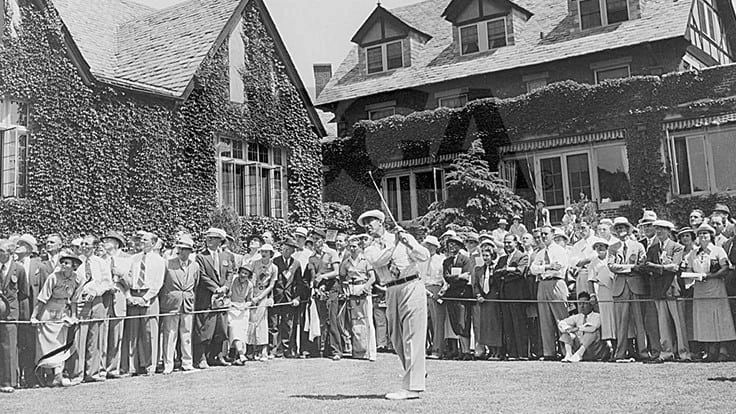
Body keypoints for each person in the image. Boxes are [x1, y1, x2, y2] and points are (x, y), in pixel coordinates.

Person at [361, 209, 429, 400]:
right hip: (391, 289)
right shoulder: (369, 248)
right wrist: (396, 245)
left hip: (411, 284)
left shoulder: (401, 236)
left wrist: (410, 244)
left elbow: (424, 255)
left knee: (412, 335)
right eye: (365, 223)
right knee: (396, 338)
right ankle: (414, 369)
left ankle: (412, 387)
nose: (368, 226)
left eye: (371, 221)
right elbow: (378, 260)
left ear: (381, 222)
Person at [29, 249, 81, 387]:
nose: (63, 265)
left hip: (62, 312)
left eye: (67, 263)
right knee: (46, 345)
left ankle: (58, 375)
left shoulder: (76, 279)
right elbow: (42, 298)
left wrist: (74, 316)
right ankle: (46, 376)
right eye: (62, 262)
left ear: (73, 265)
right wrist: (34, 316)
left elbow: (74, 299)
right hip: (48, 311)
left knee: (60, 343)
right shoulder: (53, 277)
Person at [642, 220, 690, 363]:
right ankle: (666, 353)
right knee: (663, 325)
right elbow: (646, 266)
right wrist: (662, 267)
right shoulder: (652, 248)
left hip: (673, 289)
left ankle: (684, 353)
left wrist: (656, 266)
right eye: (656, 229)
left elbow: (674, 267)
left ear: (669, 231)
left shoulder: (677, 247)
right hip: (658, 290)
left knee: (679, 324)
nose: (659, 232)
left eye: (662, 229)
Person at [688, 223, 736, 361]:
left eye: (706, 233)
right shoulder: (693, 253)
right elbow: (689, 270)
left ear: (711, 236)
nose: (703, 236)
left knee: (719, 319)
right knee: (704, 321)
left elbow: (725, 268)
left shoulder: (718, 250)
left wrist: (710, 276)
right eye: (700, 234)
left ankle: (722, 351)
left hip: (716, 288)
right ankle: (708, 350)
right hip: (700, 290)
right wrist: (692, 276)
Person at [69, 235, 113, 384]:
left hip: (97, 302)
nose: (84, 247)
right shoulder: (76, 263)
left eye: (87, 244)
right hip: (80, 303)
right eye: (82, 244)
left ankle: (92, 373)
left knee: (95, 338)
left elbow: (108, 283)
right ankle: (77, 374)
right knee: (79, 339)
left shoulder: (101, 263)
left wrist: (96, 291)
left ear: (94, 247)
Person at [124, 232, 166, 375]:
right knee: (132, 333)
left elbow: (157, 283)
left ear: (153, 243)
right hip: (134, 295)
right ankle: (132, 367)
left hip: (149, 297)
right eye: (141, 239)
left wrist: (144, 298)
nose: (141, 241)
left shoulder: (159, 260)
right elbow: (127, 278)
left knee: (150, 333)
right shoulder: (133, 259)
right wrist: (129, 295)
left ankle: (150, 366)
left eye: (145, 239)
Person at [607, 221, 649, 362]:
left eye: (623, 228)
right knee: (621, 322)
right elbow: (611, 266)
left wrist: (630, 267)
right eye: (617, 228)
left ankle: (643, 352)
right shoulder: (612, 247)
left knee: (639, 321)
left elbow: (642, 264)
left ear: (628, 229)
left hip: (636, 285)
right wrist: (631, 267)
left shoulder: (638, 246)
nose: (620, 230)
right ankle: (620, 353)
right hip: (620, 287)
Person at [193, 227, 235, 368]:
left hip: (222, 299)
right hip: (206, 298)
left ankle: (216, 356)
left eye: (213, 238)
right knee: (205, 329)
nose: (209, 241)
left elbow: (230, 273)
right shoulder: (201, 257)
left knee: (220, 329)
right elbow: (202, 275)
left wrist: (226, 287)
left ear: (220, 241)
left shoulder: (227, 256)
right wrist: (216, 288)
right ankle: (201, 358)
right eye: (208, 238)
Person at [159, 235, 199, 374]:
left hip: (187, 303)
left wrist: (189, 297)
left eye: (186, 250)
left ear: (190, 251)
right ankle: (168, 364)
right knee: (170, 334)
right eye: (181, 249)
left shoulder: (195, 266)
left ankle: (187, 362)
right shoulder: (168, 264)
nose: (183, 252)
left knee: (186, 333)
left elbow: (196, 284)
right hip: (171, 304)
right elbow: (162, 284)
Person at [530, 225, 569, 360]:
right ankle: (549, 352)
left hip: (556, 283)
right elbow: (533, 269)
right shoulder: (540, 253)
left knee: (561, 319)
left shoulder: (560, 251)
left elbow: (559, 268)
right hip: (542, 285)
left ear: (553, 234)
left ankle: (566, 351)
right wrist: (546, 267)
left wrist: (545, 269)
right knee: (545, 319)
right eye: (542, 235)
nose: (543, 237)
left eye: (546, 234)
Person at [15, 234, 47, 388]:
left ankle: (32, 378)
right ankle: (17, 377)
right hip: (16, 312)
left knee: (33, 346)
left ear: (28, 249)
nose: (17, 247)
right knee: (18, 345)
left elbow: (45, 291)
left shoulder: (39, 266)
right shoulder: (12, 265)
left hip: (34, 313)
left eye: (21, 244)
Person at [339, 236, 377, 361]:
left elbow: (372, 278)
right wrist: (345, 289)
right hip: (352, 292)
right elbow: (342, 278)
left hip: (364, 291)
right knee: (355, 322)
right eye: (350, 246)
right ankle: (358, 351)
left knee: (367, 322)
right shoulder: (346, 263)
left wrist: (365, 288)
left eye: (355, 246)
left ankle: (371, 352)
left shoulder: (365, 261)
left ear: (360, 247)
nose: (352, 249)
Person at [100, 231, 131, 379]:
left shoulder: (127, 259)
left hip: (119, 299)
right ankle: (101, 369)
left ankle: (113, 368)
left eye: (108, 240)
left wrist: (120, 275)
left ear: (116, 243)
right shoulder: (100, 259)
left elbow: (131, 282)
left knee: (116, 336)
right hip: (104, 300)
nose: (105, 243)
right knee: (102, 335)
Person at [440, 234, 475, 360]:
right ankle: (461, 350)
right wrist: (459, 277)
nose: (451, 246)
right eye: (449, 244)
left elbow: (467, 276)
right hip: (452, 295)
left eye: (454, 244)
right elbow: (447, 277)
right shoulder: (446, 261)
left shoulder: (465, 259)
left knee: (463, 322)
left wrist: (457, 278)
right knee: (455, 323)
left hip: (463, 295)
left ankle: (466, 351)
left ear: (459, 246)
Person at [308, 228, 342, 360]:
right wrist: (315, 286)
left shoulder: (331, 253)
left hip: (331, 288)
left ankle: (337, 350)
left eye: (317, 239)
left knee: (332, 319)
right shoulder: (312, 257)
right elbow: (312, 276)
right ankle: (325, 349)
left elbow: (336, 272)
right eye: (313, 239)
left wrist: (323, 277)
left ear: (322, 240)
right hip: (319, 291)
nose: (315, 242)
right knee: (323, 320)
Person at [495, 234, 530, 360]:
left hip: (517, 296)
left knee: (519, 324)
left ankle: (522, 353)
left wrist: (505, 272)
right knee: (508, 325)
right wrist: (507, 270)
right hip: (504, 296)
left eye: (509, 242)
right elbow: (496, 274)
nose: (507, 245)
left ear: (516, 243)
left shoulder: (522, 256)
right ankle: (512, 353)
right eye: (505, 242)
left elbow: (519, 272)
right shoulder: (502, 259)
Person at [270, 238, 304, 358]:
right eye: (284, 249)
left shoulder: (296, 264)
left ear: (292, 251)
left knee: (287, 325)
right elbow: (270, 282)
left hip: (289, 299)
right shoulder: (274, 261)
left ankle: (286, 349)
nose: (285, 251)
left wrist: (297, 298)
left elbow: (299, 283)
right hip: (275, 297)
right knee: (273, 325)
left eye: (288, 249)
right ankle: (273, 350)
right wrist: (270, 298)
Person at [0, 239, 27, 393]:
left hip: (10, 314)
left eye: (1, 251)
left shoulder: (19, 269)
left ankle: (9, 381)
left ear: (9, 253)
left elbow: (23, 293)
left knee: (9, 347)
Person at [247, 244, 277, 361]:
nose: (264, 254)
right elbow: (250, 279)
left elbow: (271, 286)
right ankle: (251, 351)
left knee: (262, 323)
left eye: (267, 252)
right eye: (262, 251)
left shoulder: (274, 267)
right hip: (252, 295)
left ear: (271, 254)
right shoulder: (255, 263)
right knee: (251, 322)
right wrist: (251, 296)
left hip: (263, 296)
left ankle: (264, 350)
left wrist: (261, 297)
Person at [558, 292, 609, 362]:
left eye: (585, 303)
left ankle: (579, 354)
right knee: (566, 333)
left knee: (591, 332)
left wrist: (578, 328)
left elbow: (592, 328)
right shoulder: (577, 317)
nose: (582, 306)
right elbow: (561, 323)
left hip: (594, 350)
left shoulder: (597, 316)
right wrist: (568, 329)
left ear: (591, 304)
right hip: (580, 348)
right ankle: (569, 354)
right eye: (580, 303)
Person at [586, 237, 615, 355]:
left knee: (616, 318)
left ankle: (622, 346)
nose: (599, 248)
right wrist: (592, 295)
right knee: (606, 320)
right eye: (597, 246)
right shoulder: (593, 262)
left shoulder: (612, 258)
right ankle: (610, 348)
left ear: (607, 247)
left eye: (602, 246)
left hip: (615, 290)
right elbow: (590, 280)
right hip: (602, 291)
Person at [421, 235, 446, 359]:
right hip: (423, 289)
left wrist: (440, 291)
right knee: (423, 321)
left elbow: (443, 278)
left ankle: (438, 349)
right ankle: (425, 347)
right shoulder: (422, 260)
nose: (428, 247)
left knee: (437, 322)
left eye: (430, 245)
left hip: (436, 289)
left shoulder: (441, 259)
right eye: (426, 245)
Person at [228, 265, 253, 365]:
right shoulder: (232, 280)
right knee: (234, 328)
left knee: (242, 332)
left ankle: (237, 356)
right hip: (231, 309)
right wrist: (233, 304)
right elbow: (226, 296)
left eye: (246, 274)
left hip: (242, 311)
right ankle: (241, 354)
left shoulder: (250, 285)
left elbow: (249, 300)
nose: (243, 275)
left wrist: (244, 306)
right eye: (242, 272)